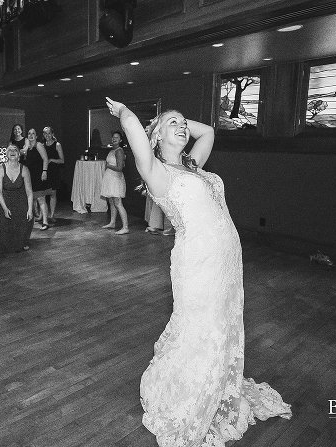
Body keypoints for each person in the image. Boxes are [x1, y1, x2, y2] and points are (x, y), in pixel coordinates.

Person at [105, 97, 292, 446]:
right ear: (156, 137)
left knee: (223, 324)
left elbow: (209, 131)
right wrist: (125, 113)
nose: (182, 127)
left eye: (183, 122)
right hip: (197, 262)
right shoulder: (157, 173)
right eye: (171, 124)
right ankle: (189, 396)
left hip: (226, 260)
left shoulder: (194, 165)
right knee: (201, 327)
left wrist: (177, 120)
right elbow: (134, 131)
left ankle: (218, 384)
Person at [0, 143, 33, 252]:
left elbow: (29, 192)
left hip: (19, 199)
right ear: (6, 154)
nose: (12, 152)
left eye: (15, 150)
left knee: (25, 214)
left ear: (19, 154)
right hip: (3, 199)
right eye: (10, 150)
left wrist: (29, 209)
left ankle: (22, 241)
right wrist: (5, 208)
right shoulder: (1, 169)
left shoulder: (24, 169)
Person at [100, 130, 129, 234]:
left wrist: (108, 166)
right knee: (112, 202)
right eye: (113, 137)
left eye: (116, 137)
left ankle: (125, 227)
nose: (114, 139)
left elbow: (120, 167)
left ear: (120, 140)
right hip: (110, 179)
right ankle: (112, 222)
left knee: (118, 203)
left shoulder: (119, 151)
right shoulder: (113, 150)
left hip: (116, 179)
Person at [24, 128, 51, 229]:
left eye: (33, 134)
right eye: (29, 133)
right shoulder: (27, 147)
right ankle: (39, 217)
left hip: (38, 175)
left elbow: (45, 159)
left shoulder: (38, 145)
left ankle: (45, 222)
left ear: (36, 136)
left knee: (41, 199)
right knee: (33, 198)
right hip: (30, 177)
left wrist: (44, 171)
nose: (31, 135)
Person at [42, 126, 64, 222]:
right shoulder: (42, 145)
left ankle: (52, 214)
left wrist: (51, 160)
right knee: (42, 194)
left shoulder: (57, 145)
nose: (47, 135)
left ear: (52, 134)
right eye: (45, 133)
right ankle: (44, 215)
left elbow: (62, 160)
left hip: (54, 172)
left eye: (49, 133)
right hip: (45, 171)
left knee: (53, 194)